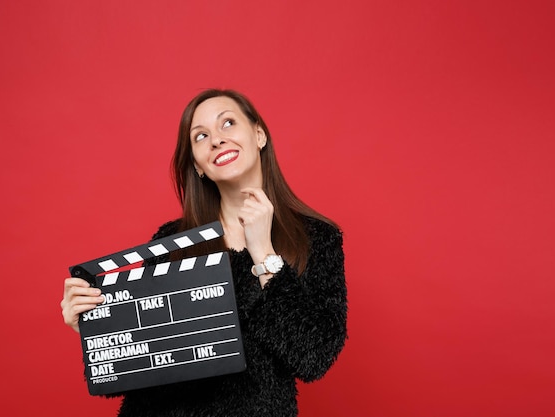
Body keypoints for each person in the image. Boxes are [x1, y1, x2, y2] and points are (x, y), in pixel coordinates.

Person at [61, 89, 348, 417]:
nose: (216, 140)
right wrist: (96, 327)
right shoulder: (172, 241)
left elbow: (314, 357)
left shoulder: (316, 239)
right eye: (201, 136)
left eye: (228, 123)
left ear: (259, 134)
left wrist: (263, 253)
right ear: (197, 165)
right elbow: (146, 363)